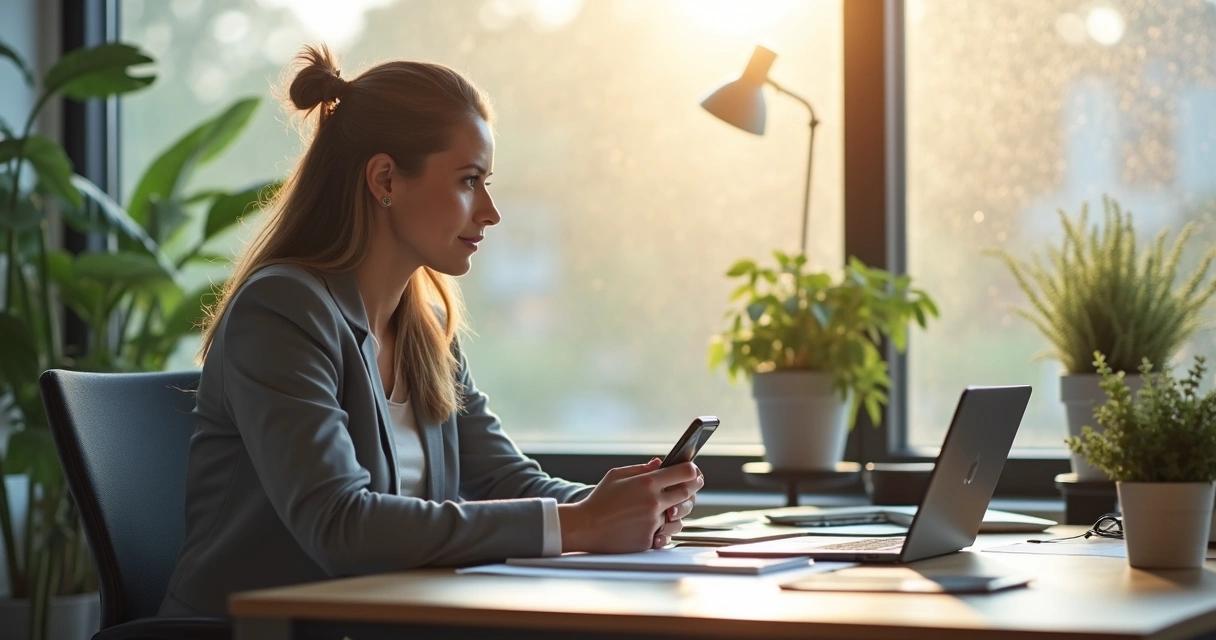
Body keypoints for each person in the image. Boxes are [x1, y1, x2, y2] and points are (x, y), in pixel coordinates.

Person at [158, 45, 705, 618]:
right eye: (470, 180)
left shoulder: (426, 324)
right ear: (386, 178)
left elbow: (499, 478)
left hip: (381, 621)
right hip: (256, 631)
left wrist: (615, 507)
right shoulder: (282, 310)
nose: (491, 211)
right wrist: (586, 522)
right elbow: (340, 524)